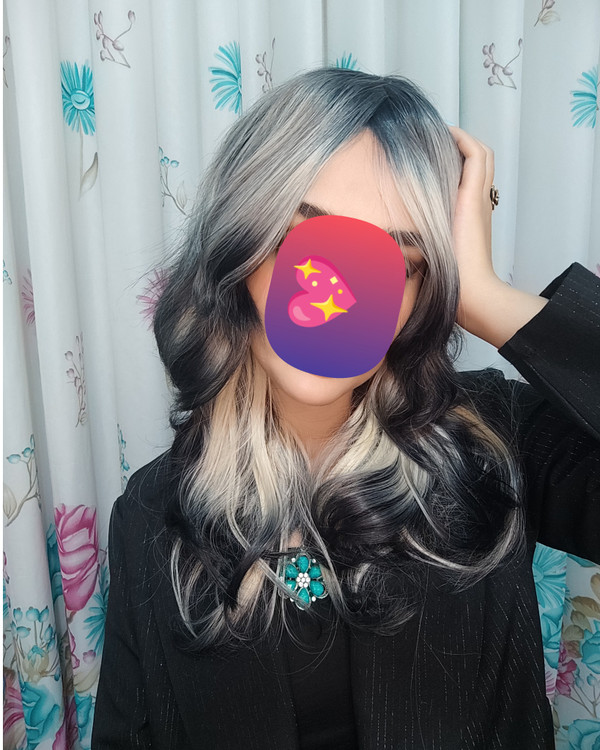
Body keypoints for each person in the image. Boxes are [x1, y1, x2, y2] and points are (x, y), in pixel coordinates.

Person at [90, 68, 600, 749]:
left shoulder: (494, 443)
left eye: (399, 263)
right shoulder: (152, 513)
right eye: (303, 237)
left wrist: (485, 296)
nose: (340, 295)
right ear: (240, 246)